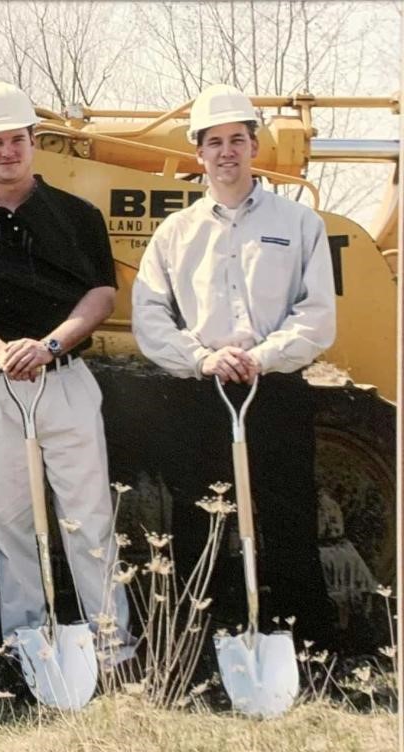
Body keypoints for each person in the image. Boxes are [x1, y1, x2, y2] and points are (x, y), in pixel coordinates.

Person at [0, 82, 132, 664]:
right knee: (8, 521)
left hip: (63, 381)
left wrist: (47, 344)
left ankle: (113, 647)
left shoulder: (77, 217)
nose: (7, 152)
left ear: (33, 142)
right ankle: (29, 644)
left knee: (88, 517)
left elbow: (100, 296)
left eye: (16, 140)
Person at [131, 83, 339, 650]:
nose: (226, 152)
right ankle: (191, 650)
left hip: (274, 391)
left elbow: (317, 314)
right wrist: (202, 358)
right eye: (214, 142)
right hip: (201, 396)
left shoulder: (299, 224)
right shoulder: (175, 233)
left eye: (238, 140)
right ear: (198, 152)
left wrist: (261, 357)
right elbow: (150, 315)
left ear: (254, 146)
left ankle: (309, 648)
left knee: (288, 518)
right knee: (199, 523)